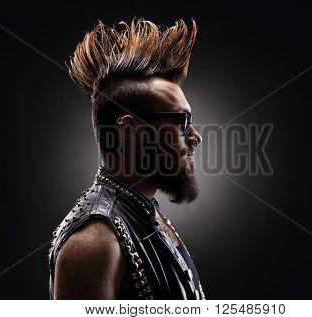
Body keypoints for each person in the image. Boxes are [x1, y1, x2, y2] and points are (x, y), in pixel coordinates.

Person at [48, 18, 206, 300]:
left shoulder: (146, 212)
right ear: (131, 130)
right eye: (181, 121)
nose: (194, 136)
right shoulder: (95, 241)